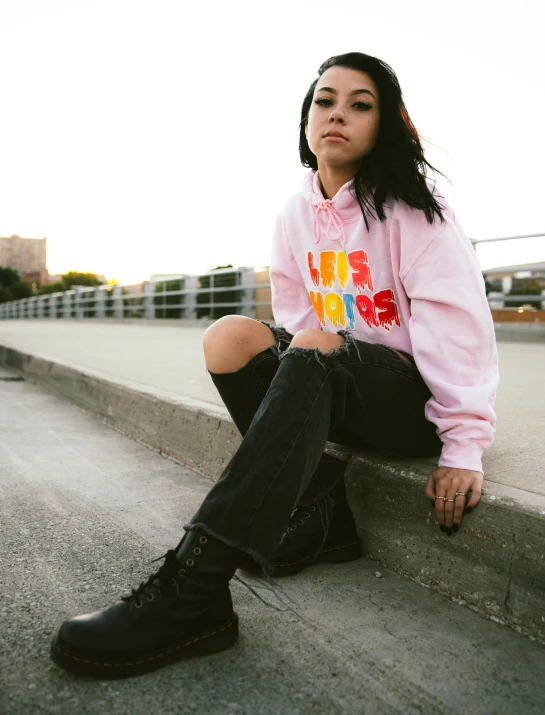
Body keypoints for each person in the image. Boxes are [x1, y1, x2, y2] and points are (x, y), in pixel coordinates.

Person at [50, 51, 499, 678]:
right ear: (307, 118)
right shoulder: (293, 214)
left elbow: (460, 333)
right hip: (334, 378)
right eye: (325, 100)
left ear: (383, 124)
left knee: (318, 344)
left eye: (359, 104)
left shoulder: (416, 209)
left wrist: (463, 444)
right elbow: (293, 320)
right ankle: (324, 514)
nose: (338, 113)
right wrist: (303, 368)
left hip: (412, 400)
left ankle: (194, 587)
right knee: (228, 337)